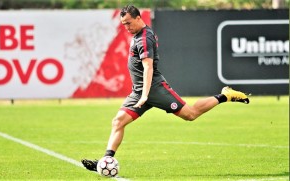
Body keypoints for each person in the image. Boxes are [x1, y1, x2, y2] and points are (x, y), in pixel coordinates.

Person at [81, 5, 249, 172]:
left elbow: (148, 68)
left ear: (138, 18)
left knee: (190, 114)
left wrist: (145, 95)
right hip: (139, 91)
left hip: (153, 89)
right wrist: (141, 94)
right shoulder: (138, 34)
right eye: (123, 24)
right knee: (118, 122)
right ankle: (106, 160)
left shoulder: (145, 38)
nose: (126, 27)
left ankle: (224, 96)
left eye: (128, 23)